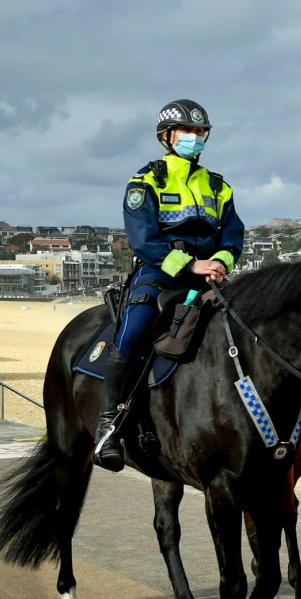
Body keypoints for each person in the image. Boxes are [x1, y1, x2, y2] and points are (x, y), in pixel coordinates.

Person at [94, 98, 244, 471]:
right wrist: (192, 266)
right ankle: (109, 425)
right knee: (131, 334)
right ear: (167, 136)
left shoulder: (218, 186)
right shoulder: (144, 181)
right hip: (159, 275)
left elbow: (234, 235)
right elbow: (143, 239)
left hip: (211, 276)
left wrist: (220, 264)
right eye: (187, 132)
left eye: (200, 132)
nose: (195, 138)